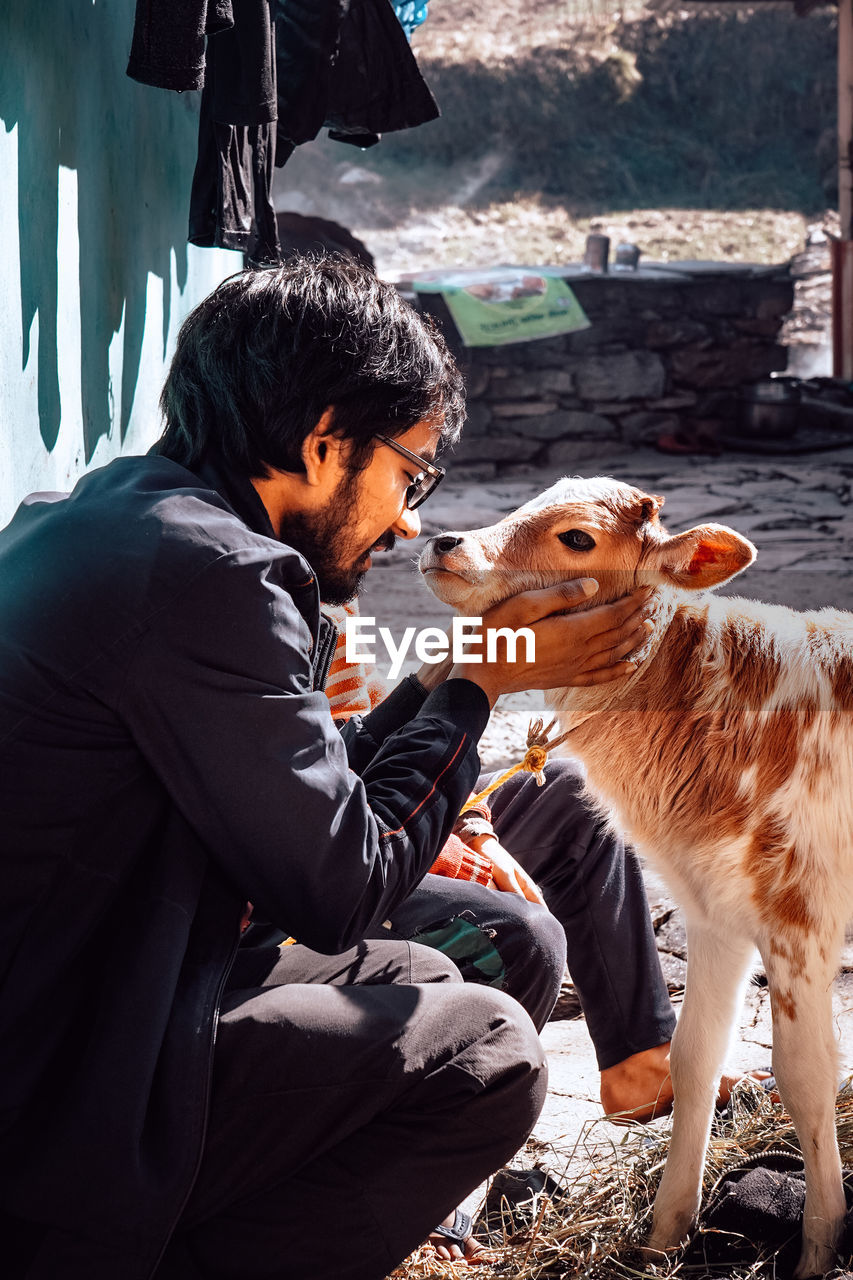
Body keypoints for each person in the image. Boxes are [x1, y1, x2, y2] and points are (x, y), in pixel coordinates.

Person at [0, 257, 655, 1280]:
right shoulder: (218, 576)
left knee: (475, 948)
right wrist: (475, 689)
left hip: (121, 982)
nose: (406, 521)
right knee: (486, 1048)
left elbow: (286, 790)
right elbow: (338, 880)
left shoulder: (129, 521)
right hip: (69, 1074)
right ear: (322, 441)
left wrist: (449, 676)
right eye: (410, 474)